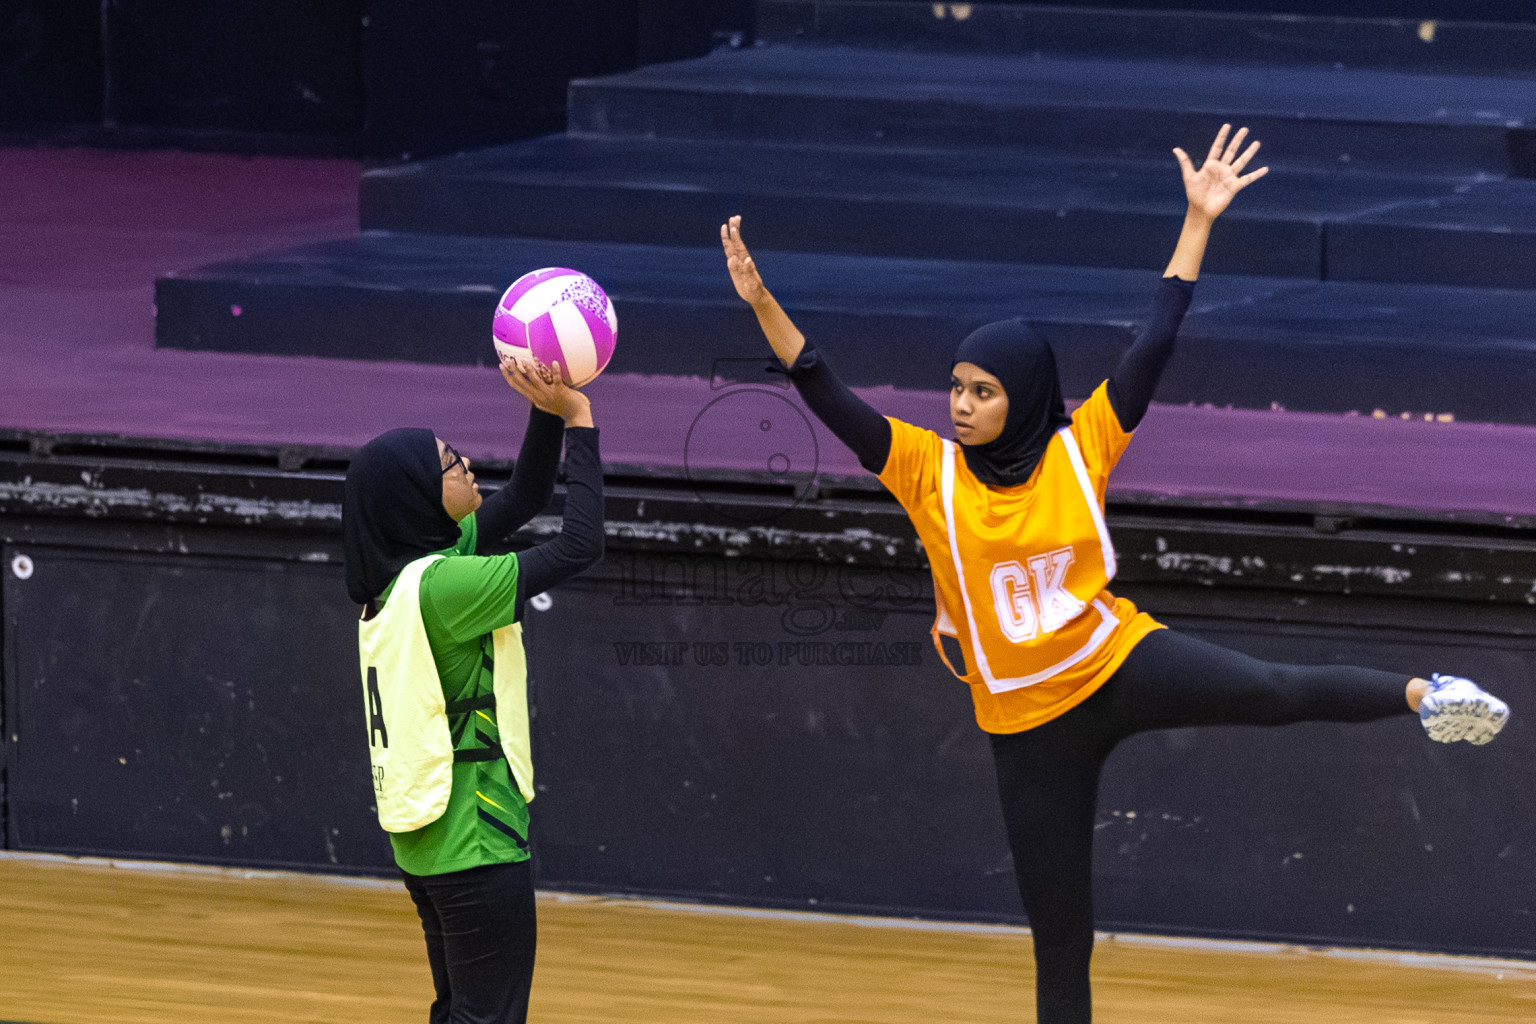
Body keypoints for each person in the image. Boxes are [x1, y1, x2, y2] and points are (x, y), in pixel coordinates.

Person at [720, 124, 1510, 1024]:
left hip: (1118, 664)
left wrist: (1199, 221)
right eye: (956, 388)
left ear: (1022, 394)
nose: (962, 405)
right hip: (1026, 726)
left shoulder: (1080, 446)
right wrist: (761, 304)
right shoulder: (921, 468)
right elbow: (823, 387)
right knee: (1062, 942)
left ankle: (1426, 694)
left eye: (982, 390)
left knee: (1275, 690)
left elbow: (1154, 343)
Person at [342, 356, 603, 1024]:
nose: (467, 469)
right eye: (451, 465)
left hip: (428, 846)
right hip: (476, 842)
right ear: (417, 497)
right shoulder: (447, 589)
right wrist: (581, 422)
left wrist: (543, 409)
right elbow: (580, 546)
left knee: (459, 1011)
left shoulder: (404, 580)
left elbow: (524, 497)